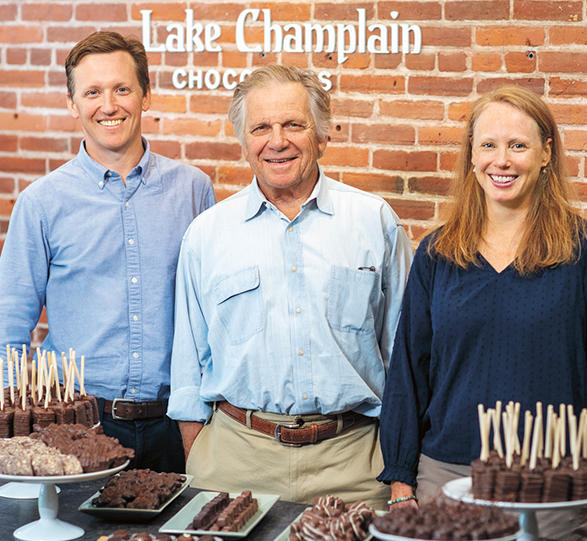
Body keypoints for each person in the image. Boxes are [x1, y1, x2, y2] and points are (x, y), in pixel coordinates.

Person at [377, 85, 587, 539]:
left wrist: (585, 465)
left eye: (518, 145)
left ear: (545, 154)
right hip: (446, 477)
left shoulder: (586, 251)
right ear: (472, 156)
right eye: (488, 145)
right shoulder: (438, 253)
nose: (502, 161)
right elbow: (408, 372)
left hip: (553, 488)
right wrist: (402, 478)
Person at [167, 64, 413, 508]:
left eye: (293, 125)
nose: (276, 141)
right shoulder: (207, 235)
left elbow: (405, 359)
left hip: (356, 462)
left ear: (322, 136)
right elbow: (188, 367)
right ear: (244, 142)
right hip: (235, 459)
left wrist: (400, 477)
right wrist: (200, 457)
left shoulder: (375, 223)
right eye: (261, 127)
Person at [0, 31, 216, 473]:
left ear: (145, 95)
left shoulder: (194, 190)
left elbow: (214, 312)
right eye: (92, 92)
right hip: (77, 423)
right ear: (73, 105)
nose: (108, 105)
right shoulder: (42, 202)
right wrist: (11, 431)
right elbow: (9, 326)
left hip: (177, 423)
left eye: (122, 89)